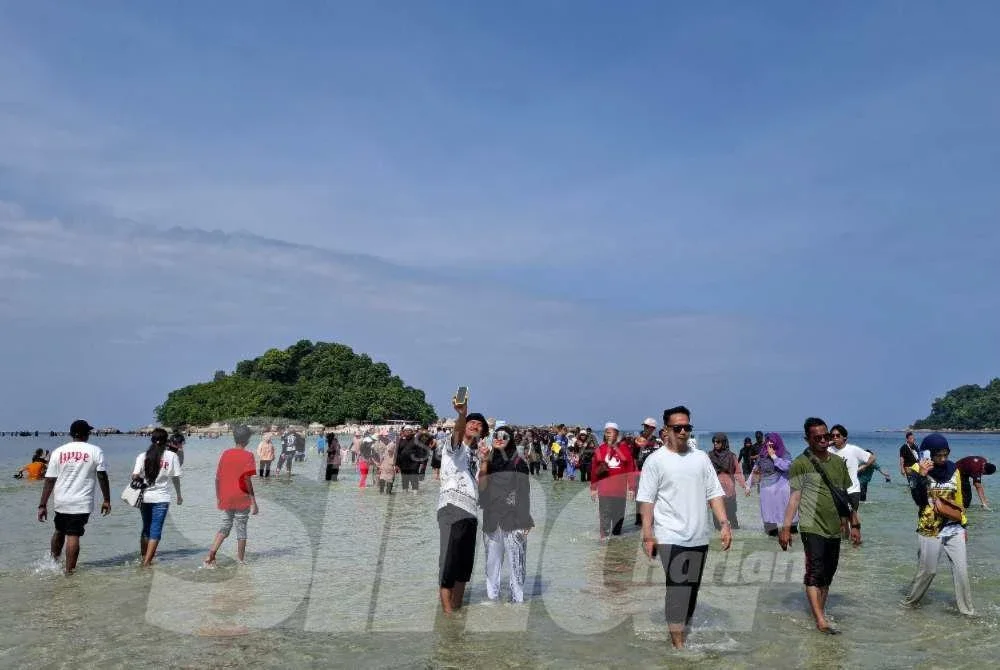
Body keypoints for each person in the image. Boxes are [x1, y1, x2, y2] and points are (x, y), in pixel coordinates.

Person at [636, 406, 732, 650]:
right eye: (677, 427)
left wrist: (724, 523)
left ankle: (683, 633)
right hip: (669, 535)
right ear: (665, 430)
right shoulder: (655, 461)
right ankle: (678, 647)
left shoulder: (700, 458)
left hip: (699, 536)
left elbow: (714, 493)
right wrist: (648, 533)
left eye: (687, 427)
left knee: (691, 591)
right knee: (678, 589)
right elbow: (646, 500)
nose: (682, 431)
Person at [779, 417, 862, 635]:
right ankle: (820, 620)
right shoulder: (800, 463)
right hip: (811, 526)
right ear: (807, 439)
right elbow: (794, 498)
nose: (824, 440)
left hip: (835, 527)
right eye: (818, 438)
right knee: (815, 573)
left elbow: (844, 496)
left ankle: (819, 612)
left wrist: (854, 524)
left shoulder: (837, 463)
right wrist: (786, 527)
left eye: (826, 436)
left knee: (828, 573)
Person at [902, 434, 974, 615]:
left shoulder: (954, 469)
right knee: (928, 571)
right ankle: (910, 605)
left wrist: (964, 525)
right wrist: (921, 476)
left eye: (945, 454)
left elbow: (959, 501)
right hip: (930, 528)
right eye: (938, 455)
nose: (942, 459)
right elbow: (918, 500)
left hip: (954, 528)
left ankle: (967, 612)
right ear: (927, 453)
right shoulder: (916, 469)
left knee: (962, 572)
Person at [36, 420, 111, 575]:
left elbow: (50, 480)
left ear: (71, 434)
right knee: (73, 535)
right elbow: (102, 476)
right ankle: (69, 573)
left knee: (59, 530)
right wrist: (107, 500)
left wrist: (42, 505)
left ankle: (53, 563)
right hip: (81, 502)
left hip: (61, 500)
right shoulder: (95, 451)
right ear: (87, 434)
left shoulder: (58, 451)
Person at [437, 398, 487, 614]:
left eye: (479, 425)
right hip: (451, 507)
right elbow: (458, 433)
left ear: (483, 433)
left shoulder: (477, 456)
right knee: (449, 562)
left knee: (464, 566)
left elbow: (483, 488)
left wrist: (485, 461)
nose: (475, 425)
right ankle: (448, 616)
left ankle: (456, 610)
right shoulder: (454, 447)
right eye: (471, 423)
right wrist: (461, 414)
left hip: (471, 512)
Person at [478, 425, 534, 603]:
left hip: (514, 520)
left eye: (504, 436)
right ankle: (492, 601)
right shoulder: (488, 461)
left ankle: (518, 604)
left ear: (511, 440)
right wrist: (484, 463)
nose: (499, 439)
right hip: (492, 519)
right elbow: (481, 489)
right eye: (496, 435)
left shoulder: (519, 463)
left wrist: (526, 521)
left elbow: (524, 494)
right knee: (491, 565)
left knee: (517, 565)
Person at [204, 425, 258, 567]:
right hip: (241, 497)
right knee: (241, 530)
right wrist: (254, 501)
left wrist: (218, 496)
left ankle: (211, 555)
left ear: (235, 438)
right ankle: (240, 560)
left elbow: (217, 478)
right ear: (247, 440)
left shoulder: (226, 453)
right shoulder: (249, 456)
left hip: (226, 496)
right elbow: (247, 480)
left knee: (224, 527)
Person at [131, 428, 182, 567]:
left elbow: (135, 476)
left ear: (152, 440)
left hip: (144, 497)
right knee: (156, 530)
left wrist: (142, 480)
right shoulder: (172, 456)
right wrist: (179, 495)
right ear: (166, 441)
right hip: (161, 498)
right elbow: (175, 478)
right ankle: (147, 563)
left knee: (146, 528)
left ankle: (143, 558)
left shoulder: (142, 456)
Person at [590, 422, 636, 540]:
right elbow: (594, 470)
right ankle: (603, 542)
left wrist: (631, 487)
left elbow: (630, 469)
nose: (608, 434)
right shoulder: (600, 449)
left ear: (617, 434)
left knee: (618, 520)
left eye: (611, 432)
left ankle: (616, 549)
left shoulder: (624, 449)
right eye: (606, 432)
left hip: (620, 491)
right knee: (604, 518)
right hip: (604, 491)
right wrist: (593, 488)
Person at [746, 432, 797, 537]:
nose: (769, 443)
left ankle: (793, 550)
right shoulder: (762, 455)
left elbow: (787, 467)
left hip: (783, 491)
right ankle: (770, 548)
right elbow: (755, 470)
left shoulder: (784, 453)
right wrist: (748, 485)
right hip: (767, 493)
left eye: (772, 440)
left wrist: (773, 456)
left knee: (791, 525)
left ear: (777, 441)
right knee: (770, 526)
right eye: (767, 440)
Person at [827, 425, 875, 511]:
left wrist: (862, 467)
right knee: (837, 520)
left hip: (852, 490)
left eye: (838, 435)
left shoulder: (853, 449)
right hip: (834, 491)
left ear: (844, 437)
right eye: (832, 436)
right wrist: (826, 444)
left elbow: (872, 458)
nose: (835, 438)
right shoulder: (828, 450)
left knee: (852, 518)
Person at [708, 433, 745, 530]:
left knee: (732, 519)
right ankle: (718, 543)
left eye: (718, 441)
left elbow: (738, 472)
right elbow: (705, 474)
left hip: (729, 492)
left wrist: (745, 486)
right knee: (717, 520)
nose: (715, 443)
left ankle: (736, 541)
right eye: (714, 441)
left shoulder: (731, 456)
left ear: (724, 443)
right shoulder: (710, 456)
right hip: (715, 492)